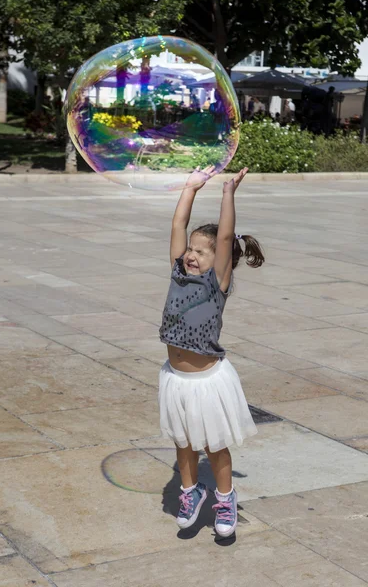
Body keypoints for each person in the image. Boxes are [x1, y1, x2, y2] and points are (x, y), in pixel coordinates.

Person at [159, 166, 264, 538]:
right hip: (176, 380)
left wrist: (226, 194)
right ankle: (191, 491)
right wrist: (189, 189)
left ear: (220, 259)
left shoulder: (215, 282)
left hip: (208, 381)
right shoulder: (177, 273)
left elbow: (223, 238)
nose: (192, 255)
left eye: (201, 252)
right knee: (183, 443)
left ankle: (225, 497)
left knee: (214, 446)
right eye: (190, 248)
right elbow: (177, 227)